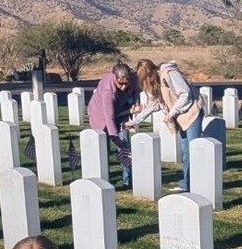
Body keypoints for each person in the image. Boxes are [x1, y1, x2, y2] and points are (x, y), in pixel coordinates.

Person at [129, 58, 202, 193]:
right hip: (181, 116)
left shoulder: (169, 74)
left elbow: (185, 94)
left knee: (193, 150)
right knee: (186, 152)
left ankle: (197, 184)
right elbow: (153, 104)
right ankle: (187, 184)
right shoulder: (158, 82)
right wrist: (134, 121)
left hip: (192, 112)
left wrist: (172, 113)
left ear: (150, 72)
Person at [87, 61, 137, 185]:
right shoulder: (107, 90)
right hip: (100, 117)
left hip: (121, 114)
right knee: (104, 149)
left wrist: (130, 109)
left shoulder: (133, 81)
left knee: (125, 145)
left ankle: (128, 180)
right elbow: (109, 117)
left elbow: (135, 93)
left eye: (126, 83)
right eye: (120, 83)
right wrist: (115, 138)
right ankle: (104, 179)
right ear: (115, 78)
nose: (124, 86)